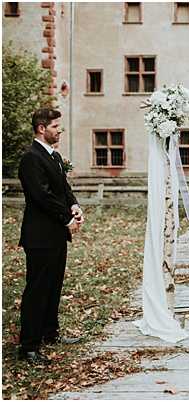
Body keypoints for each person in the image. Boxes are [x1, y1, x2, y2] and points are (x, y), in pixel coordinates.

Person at [17, 108, 83, 364]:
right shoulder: (31, 159)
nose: (60, 131)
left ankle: (50, 332)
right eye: (56, 126)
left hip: (56, 234)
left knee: (54, 285)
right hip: (40, 236)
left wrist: (74, 205)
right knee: (37, 289)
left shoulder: (53, 157)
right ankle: (29, 347)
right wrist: (66, 218)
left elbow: (62, 189)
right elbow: (42, 196)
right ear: (42, 128)